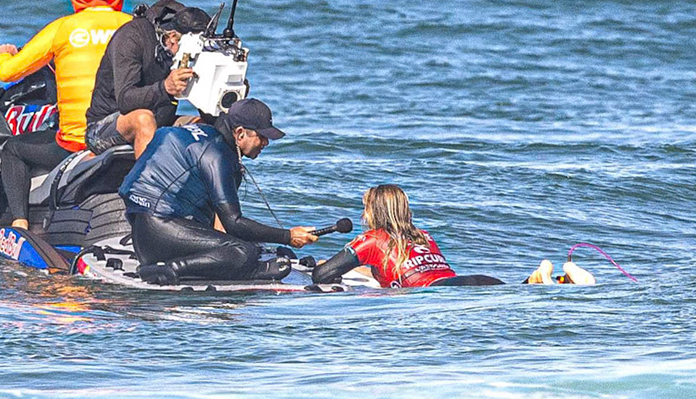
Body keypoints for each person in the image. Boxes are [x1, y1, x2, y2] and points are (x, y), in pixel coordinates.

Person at [0, 0, 131, 232]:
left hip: (76, 143)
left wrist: (4, 55)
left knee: (12, 150)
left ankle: (20, 224)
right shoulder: (133, 26)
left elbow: (8, 74)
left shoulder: (63, 29)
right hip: (125, 135)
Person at [118, 98, 318, 283]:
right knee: (243, 252)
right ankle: (171, 269)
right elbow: (234, 223)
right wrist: (287, 236)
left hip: (142, 231)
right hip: (160, 235)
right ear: (240, 133)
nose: (266, 143)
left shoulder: (195, 133)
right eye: (262, 136)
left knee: (242, 245)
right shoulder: (217, 154)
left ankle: (171, 264)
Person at [84, 0, 210, 156]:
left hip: (162, 121)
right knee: (144, 118)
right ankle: (148, 172)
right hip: (105, 126)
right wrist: (165, 88)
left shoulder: (182, 46)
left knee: (204, 129)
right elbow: (125, 100)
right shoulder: (131, 37)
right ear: (172, 38)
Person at [309, 185, 498, 287]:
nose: (364, 215)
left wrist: (330, 269)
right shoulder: (422, 235)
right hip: (476, 281)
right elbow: (399, 271)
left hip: (442, 292)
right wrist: (349, 269)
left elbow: (320, 275)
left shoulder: (373, 239)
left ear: (375, 212)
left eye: (366, 208)